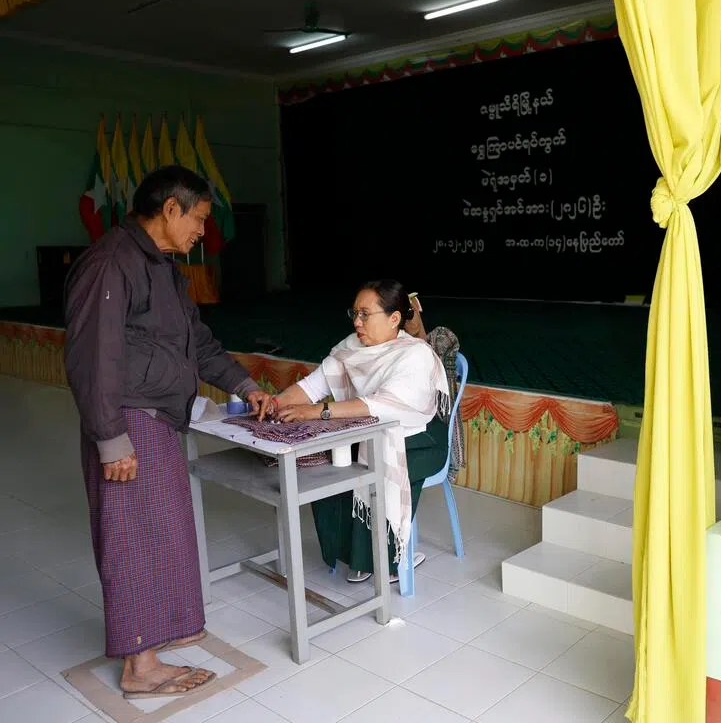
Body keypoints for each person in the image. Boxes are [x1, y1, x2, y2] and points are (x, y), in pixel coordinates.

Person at [64, 165, 273, 699]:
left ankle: (161, 631)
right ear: (172, 209)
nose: (204, 230)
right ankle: (140, 667)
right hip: (129, 423)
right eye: (200, 218)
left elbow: (198, 344)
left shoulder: (161, 268)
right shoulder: (112, 262)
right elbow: (93, 357)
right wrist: (112, 441)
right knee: (134, 541)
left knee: (166, 534)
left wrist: (247, 386)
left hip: (157, 420)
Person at [269, 279, 450, 583]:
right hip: (370, 433)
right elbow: (311, 388)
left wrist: (320, 412)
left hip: (420, 437)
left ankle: (386, 557)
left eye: (366, 314)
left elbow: (381, 404)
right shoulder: (350, 348)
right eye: (354, 313)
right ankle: (352, 554)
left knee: (377, 467)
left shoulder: (415, 354)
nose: (357, 322)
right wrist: (273, 404)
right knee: (328, 464)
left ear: (394, 319)